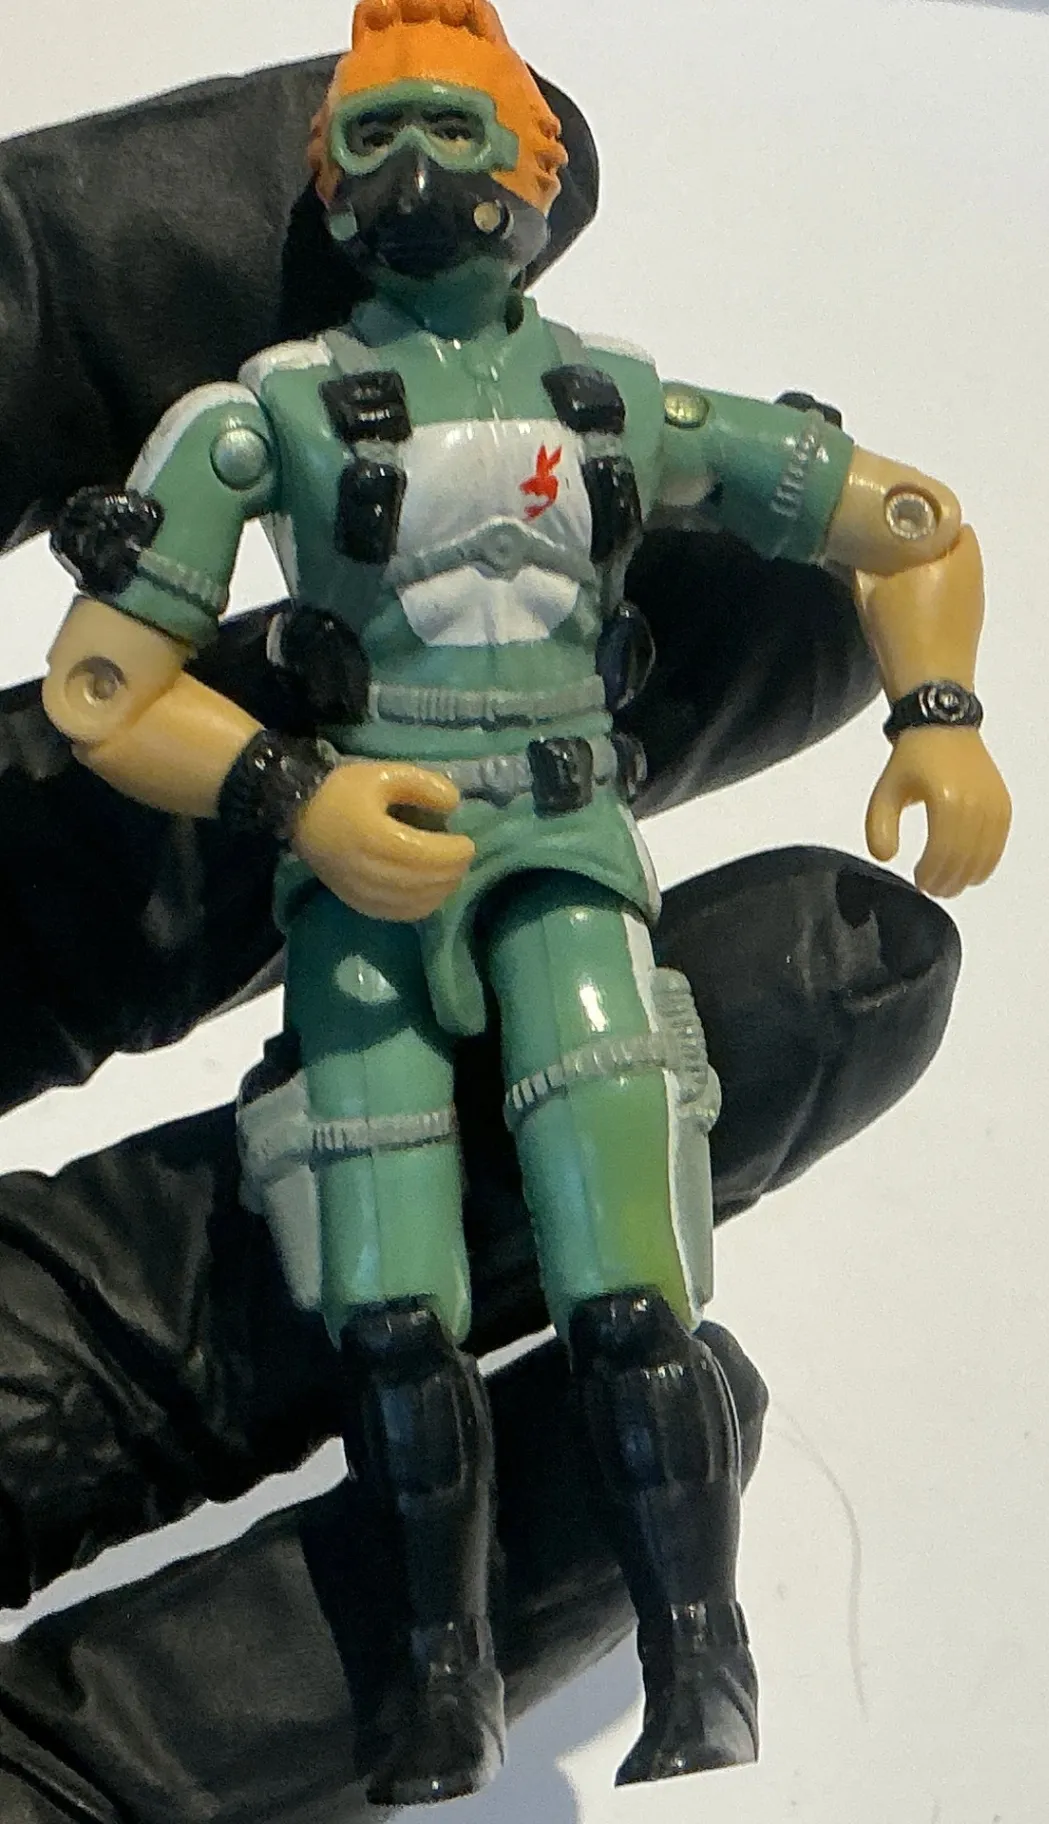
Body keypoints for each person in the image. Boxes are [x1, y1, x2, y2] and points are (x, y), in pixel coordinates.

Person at [37, 0, 1010, 1805]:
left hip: (569, 848)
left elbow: (910, 522)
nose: (418, 172)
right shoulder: (267, 418)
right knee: (387, 1305)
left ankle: (699, 1650)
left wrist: (938, 716)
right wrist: (298, 793)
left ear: (534, 173)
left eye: (457, 132)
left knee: (629, 1274)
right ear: (329, 184)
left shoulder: (621, 404)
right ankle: (437, 1675)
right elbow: (104, 680)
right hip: (364, 869)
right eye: (375, 135)